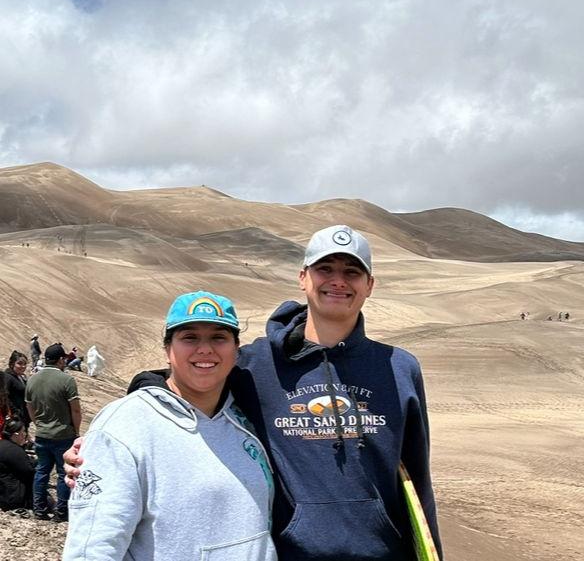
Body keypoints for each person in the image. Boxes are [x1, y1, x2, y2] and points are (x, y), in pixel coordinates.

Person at [65, 225, 442, 560]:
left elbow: (417, 481)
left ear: (369, 284)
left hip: (383, 552)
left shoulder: (398, 367)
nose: (338, 281)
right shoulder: (256, 364)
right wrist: (104, 445)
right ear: (303, 278)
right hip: (291, 553)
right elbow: (189, 377)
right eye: (325, 269)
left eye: (352, 272)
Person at [62, 291, 276, 561]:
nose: (205, 349)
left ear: (236, 349)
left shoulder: (249, 415)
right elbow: (91, 549)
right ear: (167, 350)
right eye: (190, 337)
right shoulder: (125, 425)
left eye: (218, 337)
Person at [25, 343, 82, 522]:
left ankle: (39, 509)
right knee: (63, 473)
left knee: (41, 472)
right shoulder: (67, 380)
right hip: (63, 434)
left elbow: (30, 407)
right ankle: (61, 512)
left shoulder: (33, 379)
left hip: (42, 434)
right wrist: (76, 431)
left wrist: (38, 424)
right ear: (60, 360)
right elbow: (76, 410)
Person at [0, 418, 35, 512]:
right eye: (23, 431)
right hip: (13, 498)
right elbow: (29, 471)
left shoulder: (3, 445)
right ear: (16, 434)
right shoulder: (14, 450)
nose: (25, 434)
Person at [5, 351, 31, 433]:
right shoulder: (8, 377)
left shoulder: (20, 377)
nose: (23, 366)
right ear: (12, 364)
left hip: (23, 417)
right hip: (15, 420)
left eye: (25, 364)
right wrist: (16, 412)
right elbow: (4, 397)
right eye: (19, 363)